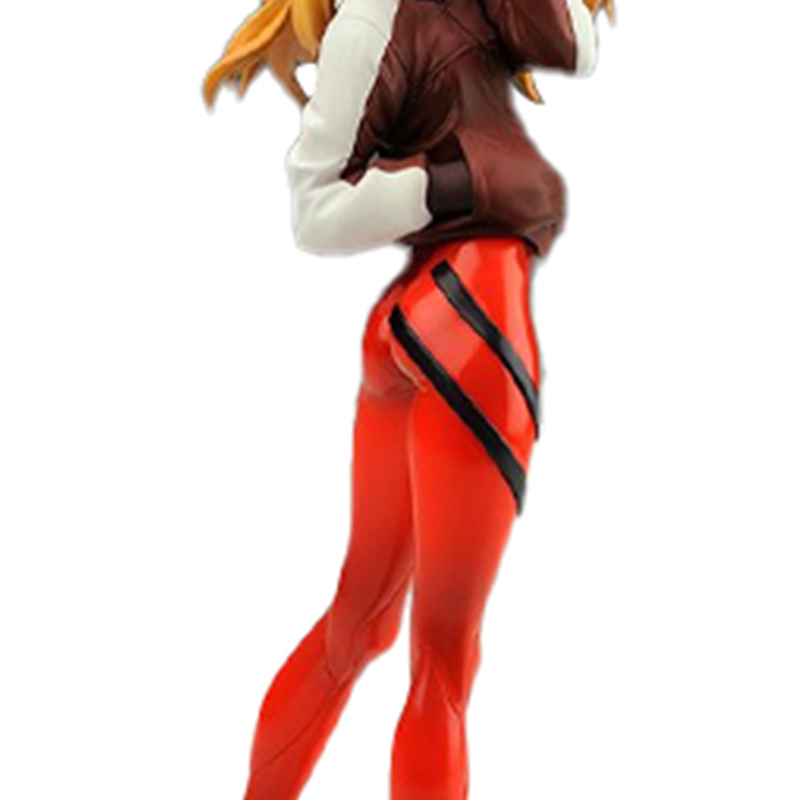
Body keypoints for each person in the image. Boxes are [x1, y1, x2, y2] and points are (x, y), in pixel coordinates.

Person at [204, 0, 610, 798]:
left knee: (360, 624)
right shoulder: (371, 21)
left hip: (420, 319)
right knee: (443, 661)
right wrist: (456, 183)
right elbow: (314, 209)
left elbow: (578, 46)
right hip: (473, 318)